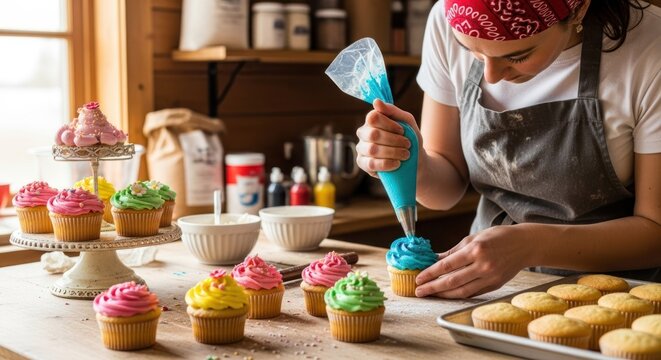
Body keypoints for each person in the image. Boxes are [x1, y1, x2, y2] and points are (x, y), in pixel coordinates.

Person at [356, 0, 661, 298]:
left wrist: (530, 244)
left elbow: (655, 232)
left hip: (621, 297)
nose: (490, 76)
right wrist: (412, 160)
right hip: (491, 291)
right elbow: (443, 191)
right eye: (470, 51)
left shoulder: (650, 48)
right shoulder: (445, 19)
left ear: (579, 7)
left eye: (517, 56)